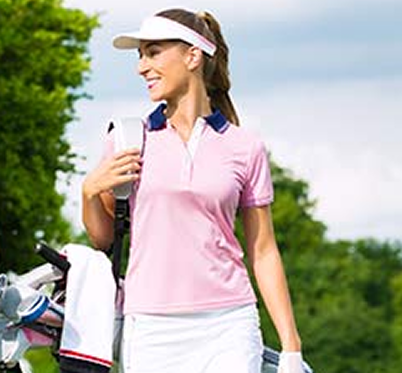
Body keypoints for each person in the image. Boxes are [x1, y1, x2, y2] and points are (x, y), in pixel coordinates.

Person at [81, 8, 305, 373]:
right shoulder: (127, 139)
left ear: (193, 56)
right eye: (140, 56)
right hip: (151, 327)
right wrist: (89, 192)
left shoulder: (244, 147)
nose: (141, 67)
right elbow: (103, 238)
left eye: (153, 52)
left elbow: (263, 251)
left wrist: (291, 347)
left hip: (230, 322)